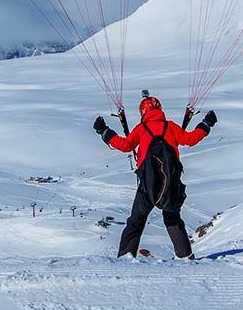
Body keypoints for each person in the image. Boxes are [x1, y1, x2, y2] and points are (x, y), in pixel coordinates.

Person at [93, 93, 217, 259]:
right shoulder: (170, 127)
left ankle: (125, 256)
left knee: (136, 221)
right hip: (170, 185)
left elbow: (124, 145)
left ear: (143, 112)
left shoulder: (141, 129)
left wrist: (104, 131)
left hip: (147, 185)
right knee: (172, 218)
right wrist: (206, 124)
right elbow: (190, 139)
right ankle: (185, 255)